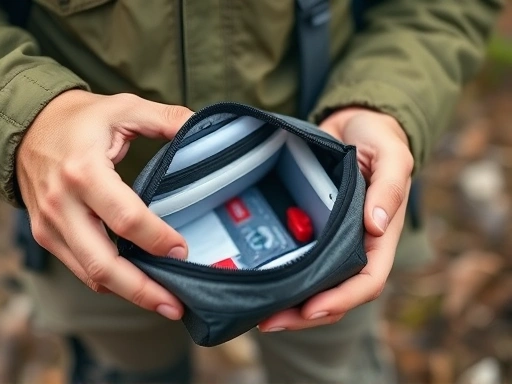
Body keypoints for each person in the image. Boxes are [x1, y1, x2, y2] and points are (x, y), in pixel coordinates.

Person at [0, 1, 502, 383]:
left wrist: (385, 101)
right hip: (81, 205)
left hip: (331, 164)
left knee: (330, 364)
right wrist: (30, 117)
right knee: (124, 362)